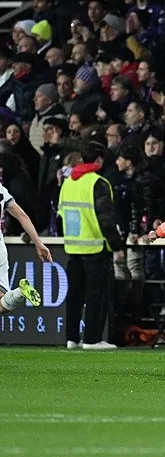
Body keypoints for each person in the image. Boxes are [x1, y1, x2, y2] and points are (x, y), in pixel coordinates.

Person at [58, 142, 123, 350]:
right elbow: (106, 220)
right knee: (97, 296)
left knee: (75, 296)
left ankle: (71, 338)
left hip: (73, 249)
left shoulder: (68, 183)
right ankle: (92, 339)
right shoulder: (98, 183)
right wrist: (117, 246)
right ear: (99, 161)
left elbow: (60, 215)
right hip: (96, 249)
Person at [0, 178, 50, 315]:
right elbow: (22, 216)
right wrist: (38, 243)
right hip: (0, 248)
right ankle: (19, 292)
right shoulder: (1, 190)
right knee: (2, 302)